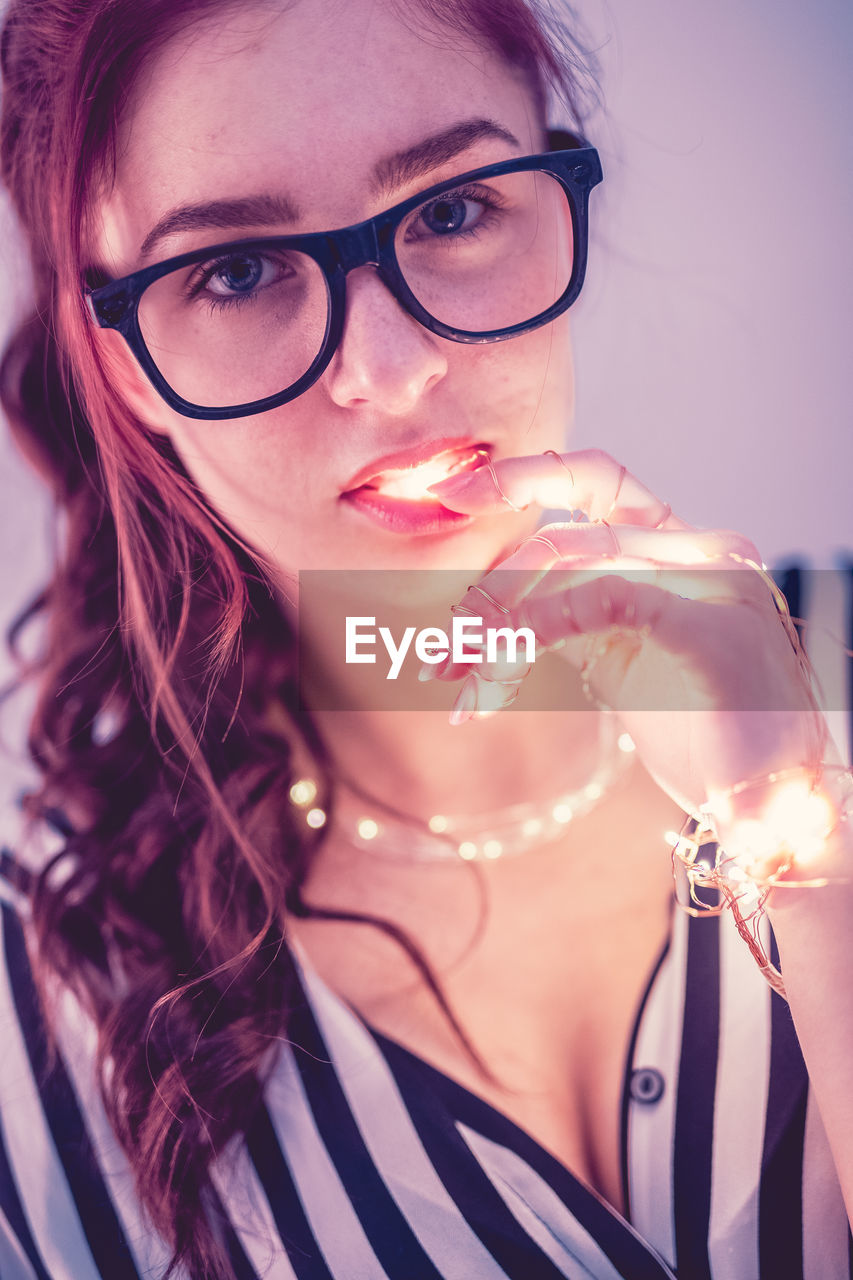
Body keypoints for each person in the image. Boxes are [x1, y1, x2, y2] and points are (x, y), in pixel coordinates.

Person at [0, 1, 850, 1278]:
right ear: (122, 365)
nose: (390, 372)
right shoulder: (42, 1029)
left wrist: (810, 853)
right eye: (235, 270)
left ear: (557, 198)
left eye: (450, 212)